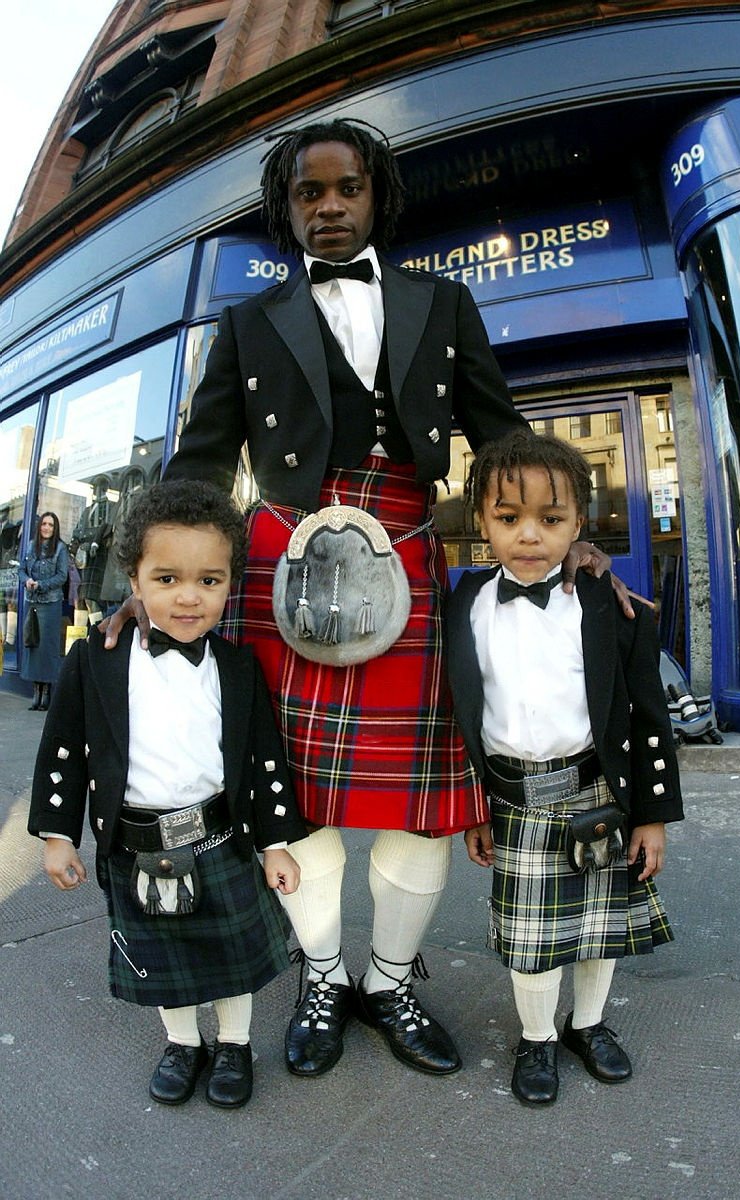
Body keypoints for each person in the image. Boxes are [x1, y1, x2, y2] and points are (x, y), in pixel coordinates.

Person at [105, 118, 626, 1080]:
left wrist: (574, 532)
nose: (330, 207)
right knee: (293, 793)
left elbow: (501, 431)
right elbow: (204, 459)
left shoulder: (444, 301)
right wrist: (135, 577)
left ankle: (388, 980)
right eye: (310, 194)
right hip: (284, 554)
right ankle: (321, 975)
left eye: (347, 189)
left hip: (408, 548)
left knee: (417, 803)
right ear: (287, 208)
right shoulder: (249, 323)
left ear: (376, 195)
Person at [28, 480, 308, 1109]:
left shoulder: (237, 666)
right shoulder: (94, 660)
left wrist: (277, 846)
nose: (189, 597)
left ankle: (234, 1044)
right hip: (135, 847)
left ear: (230, 581)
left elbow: (263, 762)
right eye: (167, 578)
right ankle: (184, 1044)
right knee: (166, 963)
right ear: (134, 576)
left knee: (234, 958)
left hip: (221, 839)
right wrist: (54, 835)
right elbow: (64, 753)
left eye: (210, 581)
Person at [447, 428, 683, 1105]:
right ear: (481, 521)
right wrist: (472, 810)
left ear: (579, 522)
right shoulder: (459, 607)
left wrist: (652, 818)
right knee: (532, 941)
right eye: (508, 517)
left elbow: (647, 717)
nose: (529, 535)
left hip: (596, 790)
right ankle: (536, 1039)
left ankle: (586, 1025)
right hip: (513, 801)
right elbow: (459, 720)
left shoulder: (610, 605)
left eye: (550, 520)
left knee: (597, 931)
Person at [18, 511, 69, 711]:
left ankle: (46, 691)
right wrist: (27, 581)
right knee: (32, 645)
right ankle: (36, 690)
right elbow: (21, 570)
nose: (47, 528)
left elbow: (62, 576)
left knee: (47, 648)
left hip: (51, 603)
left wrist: (40, 584)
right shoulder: (31, 546)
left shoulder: (60, 549)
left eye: (51, 525)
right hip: (32, 603)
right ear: (39, 526)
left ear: (55, 528)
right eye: (44, 524)